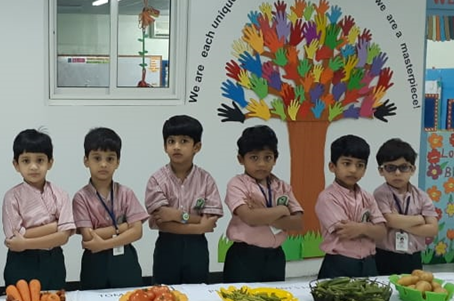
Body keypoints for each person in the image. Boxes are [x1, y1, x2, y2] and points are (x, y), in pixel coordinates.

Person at [144, 115, 223, 285]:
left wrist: (176, 215)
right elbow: (163, 223)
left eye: (184, 141)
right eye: (171, 141)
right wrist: (199, 225)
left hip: (197, 249)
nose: (176, 147)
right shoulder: (157, 180)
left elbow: (210, 221)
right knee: (164, 293)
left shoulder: (206, 180)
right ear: (165, 146)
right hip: (167, 246)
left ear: (197, 147)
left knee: (198, 293)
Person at [222, 126, 304, 282]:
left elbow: (298, 222)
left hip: (275, 256)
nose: (261, 164)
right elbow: (249, 218)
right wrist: (282, 210)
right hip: (244, 256)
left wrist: (262, 214)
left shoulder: (282, 186)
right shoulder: (237, 184)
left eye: (267, 157)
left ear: (275, 159)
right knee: (241, 295)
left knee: (274, 295)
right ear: (241, 159)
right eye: (254, 157)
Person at [72, 128, 149, 290]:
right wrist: (123, 227)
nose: (103, 164)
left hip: (124, 259)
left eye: (110, 158)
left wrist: (103, 244)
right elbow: (88, 236)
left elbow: (137, 232)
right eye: (97, 158)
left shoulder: (126, 193)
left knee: (129, 298)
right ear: (86, 161)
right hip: (95, 262)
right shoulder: (81, 197)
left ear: (117, 162)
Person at [1, 129, 75, 291]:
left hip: (53, 259)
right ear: (16, 165)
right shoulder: (12, 197)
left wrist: (25, 242)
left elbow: (63, 237)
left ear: (50, 162)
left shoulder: (61, 194)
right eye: (26, 161)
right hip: (21, 260)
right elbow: (14, 237)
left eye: (40, 160)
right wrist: (54, 226)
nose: (33, 167)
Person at [315, 135, 387, 279]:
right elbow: (345, 231)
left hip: (369, 263)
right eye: (347, 163)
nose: (353, 170)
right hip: (339, 264)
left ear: (365, 170)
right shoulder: (328, 198)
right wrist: (370, 228)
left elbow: (382, 232)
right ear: (332, 166)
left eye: (360, 165)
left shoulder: (367, 197)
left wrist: (361, 228)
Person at [373, 138, 439, 275]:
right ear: (381, 171)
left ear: (412, 169)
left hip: (413, 257)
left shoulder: (422, 196)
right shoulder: (380, 194)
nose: (397, 173)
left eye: (403, 167)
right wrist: (419, 219)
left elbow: (432, 229)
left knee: (412, 286)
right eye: (390, 168)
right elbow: (390, 221)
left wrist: (399, 221)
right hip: (385, 256)